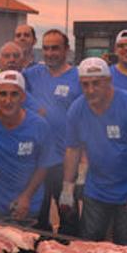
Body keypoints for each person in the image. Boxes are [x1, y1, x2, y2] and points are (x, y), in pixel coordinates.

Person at [59, 57, 127, 245]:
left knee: (125, 243)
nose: (90, 90)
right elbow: (72, 149)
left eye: (96, 84)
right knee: (89, 240)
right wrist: (67, 187)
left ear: (108, 81)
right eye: (85, 85)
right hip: (97, 189)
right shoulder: (77, 109)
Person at [0, 71, 56, 225]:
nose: (8, 100)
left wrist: (26, 196)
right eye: (2, 94)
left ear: (23, 97)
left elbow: (44, 165)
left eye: (14, 94)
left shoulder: (39, 126)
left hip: (29, 204)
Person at [23, 29, 82, 234]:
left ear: (67, 49)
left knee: (69, 216)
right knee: (37, 217)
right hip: (37, 159)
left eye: (55, 48)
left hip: (65, 159)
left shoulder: (78, 77)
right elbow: (11, 83)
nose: (50, 53)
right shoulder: (31, 74)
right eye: (46, 48)